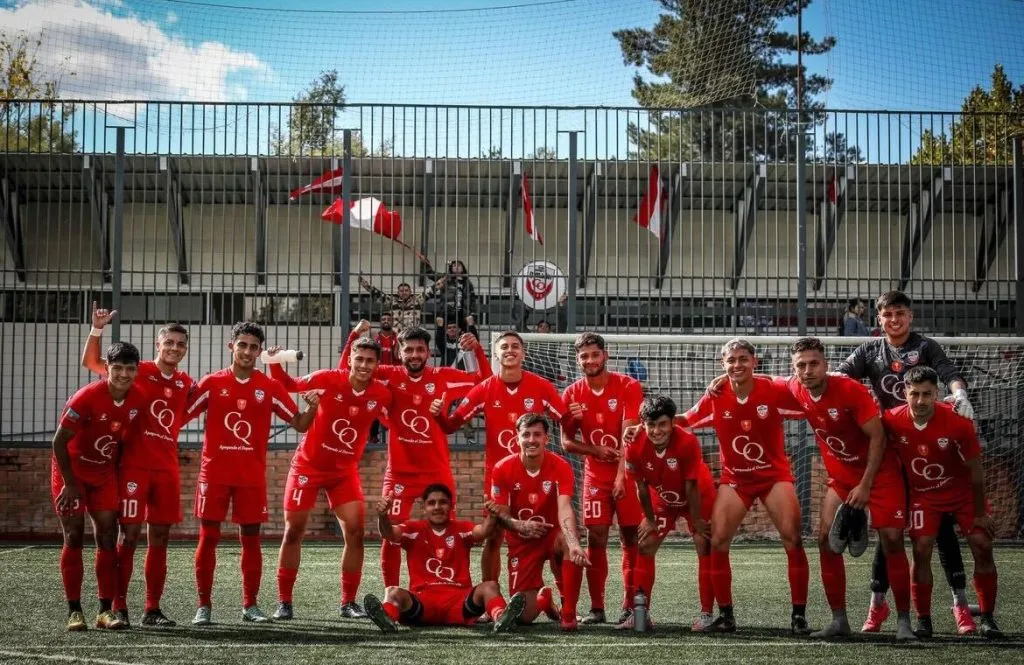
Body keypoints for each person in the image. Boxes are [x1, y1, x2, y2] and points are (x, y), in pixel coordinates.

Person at [836, 290, 975, 634]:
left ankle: (960, 606)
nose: (894, 319)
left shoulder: (925, 347)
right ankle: (877, 605)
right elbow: (839, 376)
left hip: (928, 447)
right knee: (890, 530)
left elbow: (949, 372)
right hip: (890, 450)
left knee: (942, 529)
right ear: (879, 319)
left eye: (900, 313)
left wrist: (959, 393)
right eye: (888, 314)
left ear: (910, 316)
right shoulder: (869, 350)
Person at [338, 321, 491, 588]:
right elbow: (346, 373)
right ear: (400, 352)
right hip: (400, 474)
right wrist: (353, 337)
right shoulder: (387, 375)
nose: (415, 355)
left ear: (428, 352)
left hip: (437, 473)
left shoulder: (443, 376)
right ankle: (392, 593)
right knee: (391, 536)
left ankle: (452, 589)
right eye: (409, 350)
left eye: (420, 350)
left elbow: (484, 381)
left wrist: (477, 350)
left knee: (449, 534)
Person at [183, 322, 316, 625]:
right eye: (242, 345)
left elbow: (299, 424)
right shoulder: (211, 383)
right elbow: (180, 416)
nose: (246, 351)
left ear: (259, 352)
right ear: (231, 346)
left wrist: (313, 407)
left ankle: (250, 605)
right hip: (214, 474)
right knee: (208, 537)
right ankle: (203, 606)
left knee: (251, 539)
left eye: (253, 347)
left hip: (250, 477)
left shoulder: (269, 387)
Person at [676, 338, 810, 634]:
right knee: (717, 541)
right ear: (722, 364)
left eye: (743, 359)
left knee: (793, 540)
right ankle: (726, 616)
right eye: (731, 360)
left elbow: (811, 401)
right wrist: (643, 424)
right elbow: (685, 419)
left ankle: (799, 616)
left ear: (754, 362)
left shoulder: (773, 389)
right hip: (735, 480)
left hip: (773, 477)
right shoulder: (716, 394)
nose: (737, 365)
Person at [785, 337, 916, 641]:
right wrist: (722, 379)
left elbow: (878, 438)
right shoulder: (796, 387)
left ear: (826, 365)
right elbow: (765, 382)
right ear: (794, 369)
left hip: (880, 475)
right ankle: (839, 620)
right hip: (842, 479)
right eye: (801, 365)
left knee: (892, 541)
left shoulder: (850, 390)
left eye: (814, 364)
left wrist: (865, 486)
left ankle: (904, 622)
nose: (808, 370)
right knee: (825, 540)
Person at [81, 305, 194, 627]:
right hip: (132, 467)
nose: (174, 348)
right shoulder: (135, 370)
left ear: (185, 349)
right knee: (128, 536)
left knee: (160, 538)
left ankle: (152, 609)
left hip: (166, 469)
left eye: (180, 344)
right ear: (158, 344)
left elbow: (188, 411)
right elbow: (91, 363)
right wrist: (97, 329)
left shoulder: (186, 383)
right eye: (169, 342)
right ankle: (118, 607)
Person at [265, 338, 393, 620]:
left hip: (343, 473)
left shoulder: (381, 394)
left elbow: (395, 420)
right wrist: (274, 363)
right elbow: (288, 384)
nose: (363, 365)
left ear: (376, 365)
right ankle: (284, 601)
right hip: (307, 468)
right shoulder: (327, 379)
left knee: (356, 534)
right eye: (359, 359)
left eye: (370, 361)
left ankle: (348, 603)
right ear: (350, 360)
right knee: (293, 532)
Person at [433, 331, 568, 586]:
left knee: (551, 535)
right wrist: (439, 415)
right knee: (494, 535)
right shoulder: (484, 389)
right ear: (496, 354)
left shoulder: (541, 386)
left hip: (538, 477)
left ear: (523, 353)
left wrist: (577, 415)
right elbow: (451, 425)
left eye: (515, 346)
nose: (510, 350)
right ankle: (490, 595)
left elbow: (566, 421)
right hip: (499, 479)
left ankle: (564, 598)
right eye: (504, 346)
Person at [885, 366, 1002, 639]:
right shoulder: (891, 420)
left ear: (937, 394)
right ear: (905, 393)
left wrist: (980, 512)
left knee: (982, 545)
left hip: (963, 493)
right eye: (914, 394)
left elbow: (976, 470)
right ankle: (924, 620)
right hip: (924, 495)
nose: (920, 400)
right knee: (921, 549)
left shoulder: (958, 421)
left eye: (927, 394)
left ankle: (987, 618)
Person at [53, 341, 146, 631]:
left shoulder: (138, 399)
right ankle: (74, 611)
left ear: (137, 371)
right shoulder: (87, 397)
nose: (123, 374)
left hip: (104, 474)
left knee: (106, 537)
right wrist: (69, 483)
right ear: (106, 368)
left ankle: (105, 611)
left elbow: (126, 441)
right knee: (74, 536)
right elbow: (59, 442)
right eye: (117, 368)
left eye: (129, 369)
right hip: (72, 473)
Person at [560, 332, 644, 627]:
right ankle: (597, 608)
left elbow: (629, 436)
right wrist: (593, 449)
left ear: (605, 355)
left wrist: (622, 476)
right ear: (577, 360)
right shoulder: (571, 394)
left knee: (630, 537)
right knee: (596, 537)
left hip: (628, 473)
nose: (590, 360)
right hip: (595, 476)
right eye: (584, 356)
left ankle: (630, 605)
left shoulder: (628, 386)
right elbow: (566, 442)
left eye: (595, 354)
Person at [364, 483, 527, 633]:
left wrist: (491, 516)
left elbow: (483, 532)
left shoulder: (462, 528)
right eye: (431, 503)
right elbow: (389, 534)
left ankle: (501, 617)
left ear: (451, 506)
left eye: (443, 502)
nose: (437, 507)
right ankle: (387, 618)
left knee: (490, 586)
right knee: (392, 591)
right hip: (423, 604)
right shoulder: (412, 529)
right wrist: (383, 516)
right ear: (424, 508)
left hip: (460, 603)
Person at [487, 414, 590, 630]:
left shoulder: (561, 466)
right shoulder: (502, 468)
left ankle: (568, 613)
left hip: (551, 536)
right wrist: (519, 525)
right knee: (524, 617)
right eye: (526, 435)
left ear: (546, 439)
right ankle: (545, 600)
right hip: (522, 542)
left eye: (537, 435)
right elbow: (501, 516)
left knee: (569, 542)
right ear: (517, 438)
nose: (531, 440)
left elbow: (565, 508)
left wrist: (574, 544)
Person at [624, 395, 716, 631]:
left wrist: (697, 520)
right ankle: (641, 614)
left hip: (697, 495)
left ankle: (707, 614)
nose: (657, 431)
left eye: (662, 424)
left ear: (673, 422)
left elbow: (691, 485)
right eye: (651, 425)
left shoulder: (687, 442)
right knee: (645, 544)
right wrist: (649, 519)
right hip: (662, 497)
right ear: (643, 425)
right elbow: (640, 487)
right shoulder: (633, 445)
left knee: (704, 543)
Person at [358, 277, 427, 332]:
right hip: (396, 336)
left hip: (412, 335)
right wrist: (363, 282)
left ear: (410, 292)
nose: (404, 293)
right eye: (401, 291)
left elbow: (430, 291)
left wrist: (434, 277)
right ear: (398, 293)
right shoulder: (392, 301)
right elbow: (376, 293)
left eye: (406, 290)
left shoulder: (417, 300)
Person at [429, 259, 476, 332]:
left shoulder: (467, 282)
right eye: (454, 265)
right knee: (444, 332)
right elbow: (431, 274)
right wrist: (425, 263)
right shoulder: (446, 278)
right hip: (447, 312)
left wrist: (472, 313)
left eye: (459, 265)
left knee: (467, 333)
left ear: (463, 268)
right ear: (451, 268)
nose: (456, 267)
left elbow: (472, 299)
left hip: (463, 313)